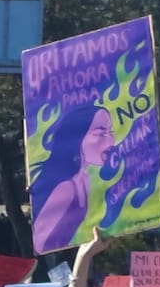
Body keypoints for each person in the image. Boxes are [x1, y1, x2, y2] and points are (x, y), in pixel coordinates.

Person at [31, 106, 116, 247]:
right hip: (53, 265)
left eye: (110, 132)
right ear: (77, 137)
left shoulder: (84, 181)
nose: (111, 140)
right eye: (101, 133)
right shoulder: (66, 187)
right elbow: (39, 243)